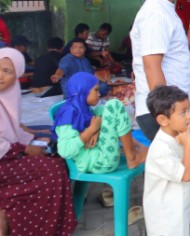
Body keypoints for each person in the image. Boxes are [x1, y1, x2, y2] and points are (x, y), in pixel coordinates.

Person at [0, 47, 77, 236]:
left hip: (7, 155)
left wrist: (33, 137)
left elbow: (13, 129)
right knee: (53, 169)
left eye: (7, 71)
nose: (0, 76)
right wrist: (26, 148)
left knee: (55, 152)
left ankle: (28, 220)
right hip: (4, 160)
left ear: (17, 75)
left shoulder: (7, 98)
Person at [130, 0, 190, 141]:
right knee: (174, 169)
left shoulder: (165, 9)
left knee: (179, 169)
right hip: (162, 113)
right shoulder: (155, 14)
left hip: (170, 112)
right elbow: (152, 67)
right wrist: (168, 116)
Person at [53, 72, 147, 172]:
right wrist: (91, 130)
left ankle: (137, 146)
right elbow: (65, 151)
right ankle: (132, 157)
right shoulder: (68, 114)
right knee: (113, 105)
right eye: (96, 90)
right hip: (98, 162)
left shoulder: (81, 108)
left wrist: (96, 129)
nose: (99, 94)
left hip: (99, 152)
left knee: (102, 110)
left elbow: (97, 120)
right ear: (83, 91)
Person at [143, 85, 190, 236]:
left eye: (188, 110)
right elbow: (185, 175)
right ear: (163, 120)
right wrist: (188, 144)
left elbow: (182, 168)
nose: (189, 116)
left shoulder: (177, 134)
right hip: (167, 220)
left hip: (180, 209)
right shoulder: (160, 150)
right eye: (183, 113)